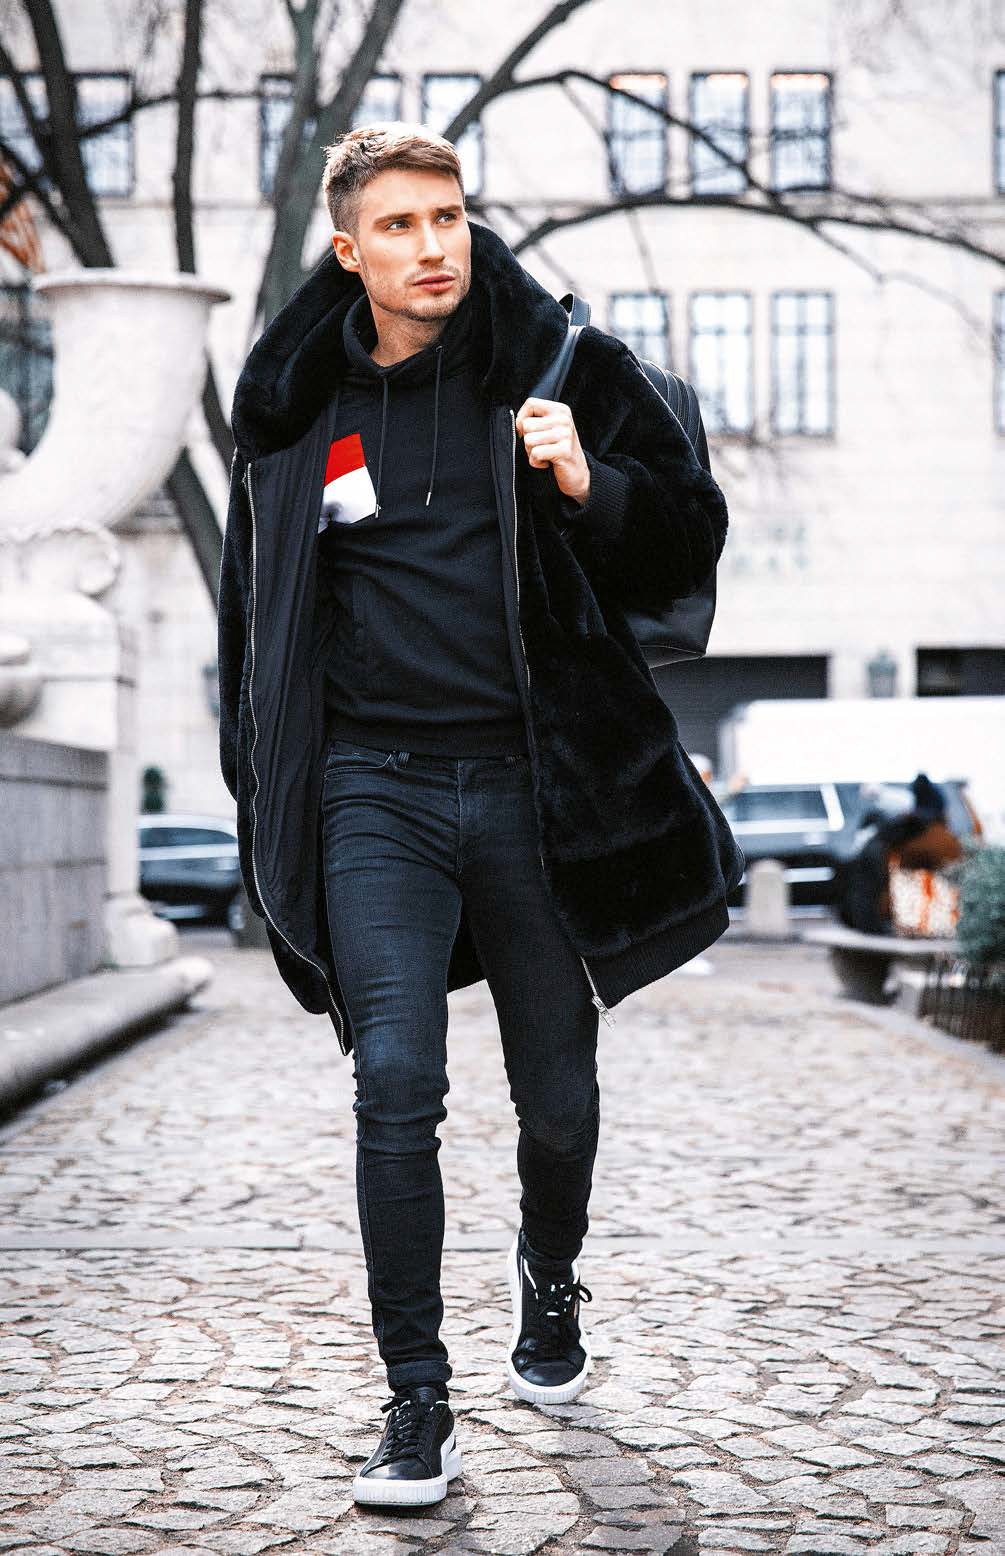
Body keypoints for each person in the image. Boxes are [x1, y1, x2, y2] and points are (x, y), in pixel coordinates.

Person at [217, 122, 744, 1507]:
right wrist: (260, 791)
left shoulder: (560, 370)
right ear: (350, 251)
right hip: (372, 791)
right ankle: (416, 1398)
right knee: (394, 1079)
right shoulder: (298, 414)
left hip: (534, 788)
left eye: (446, 216)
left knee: (557, 1097)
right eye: (397, 225)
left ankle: (547, 1276)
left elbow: (689, 531)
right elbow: (250, 632)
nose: (432, 245)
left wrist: (590, 482)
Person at [836, 772, 962, 934]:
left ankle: (874, 925)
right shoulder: (927, 830)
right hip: (881, 863)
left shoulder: (901, 823)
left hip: (879, 860)